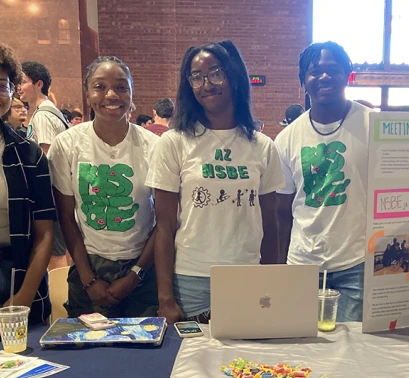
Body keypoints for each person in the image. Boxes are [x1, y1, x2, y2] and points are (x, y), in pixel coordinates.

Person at [146, 40, 284, 324]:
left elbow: (270, 225)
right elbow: (165, 227)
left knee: (246, 365)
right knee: (189, 367)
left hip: (246, 278)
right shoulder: (174, 143)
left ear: (233, 76)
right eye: (196, 76)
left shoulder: (262, 147)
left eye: (215, 73)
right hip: (191, 280)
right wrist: (165, 298)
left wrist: (273, 284)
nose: (207, 83)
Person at [47, 56, 159, 317]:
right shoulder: (67, 145)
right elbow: (66, 217)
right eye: (99, 86)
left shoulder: (154, 147)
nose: (111, 95)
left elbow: (165, 221)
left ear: (131, 94)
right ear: (87, 93)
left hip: (142, 264)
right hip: (90, 263)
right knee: (88, 352)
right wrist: (88, 279)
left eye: (121, 87)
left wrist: (135, 275)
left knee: (145, 353)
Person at [274, 41, 372, 322]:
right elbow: (282, 212)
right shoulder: (287, 138)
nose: (324, 77)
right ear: (303, 80)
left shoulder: (373, 125)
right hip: (303, 263)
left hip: (356, 263)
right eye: (315, 72)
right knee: (300, 348)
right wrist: (280, 269)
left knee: (351, 350)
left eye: (333, 70)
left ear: (347, 74)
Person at [0, 44, 56, 324]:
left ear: (12, 92)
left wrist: (22, 300)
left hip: (19, 273)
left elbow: (44, 234)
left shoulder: (30, 154)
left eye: (2, 85)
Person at [18, 61, 69, 267]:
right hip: (57, 192)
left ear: (39, 84)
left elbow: (46, 157)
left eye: (23, 82)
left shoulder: (43, 116)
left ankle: (58, 298)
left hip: (50, 194)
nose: (19, 87)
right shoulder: (48, 113)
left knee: (54, 252)